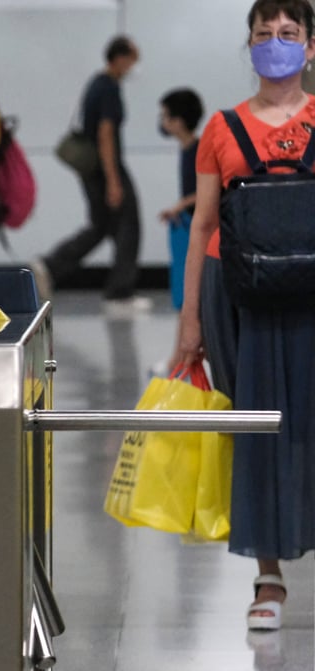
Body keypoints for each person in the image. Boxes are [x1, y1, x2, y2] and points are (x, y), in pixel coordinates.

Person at [175, 0, 315, 632]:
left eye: (289, 34)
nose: (276, 44)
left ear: (311, 48)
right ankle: (268, 575)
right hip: (239, 298)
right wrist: (189, 321)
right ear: (249, 46)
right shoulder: (220, 127)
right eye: (265, 34)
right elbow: (203, 222)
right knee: (258, 430)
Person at [31, 36, 147, 313]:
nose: (134, 67)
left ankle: (49, 266)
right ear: (120, 58)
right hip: (105, 167)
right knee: (129, 225)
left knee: (101, 225)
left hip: (94, 169)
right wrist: (114, 181)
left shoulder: (97, 83)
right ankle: (120, 293)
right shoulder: (107, 87)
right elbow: (105, 134)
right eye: (132, 59)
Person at [151, 88, 203, 376]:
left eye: (165, 116)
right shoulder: (186, 150)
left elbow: (205, 191)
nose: (162, 122)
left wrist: (179, 205)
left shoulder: (198, 150)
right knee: (184, 297)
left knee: (188, 296)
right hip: (185, 228)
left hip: (194, 232)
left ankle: (178, 361)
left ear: (179, 120)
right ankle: (178, 359)